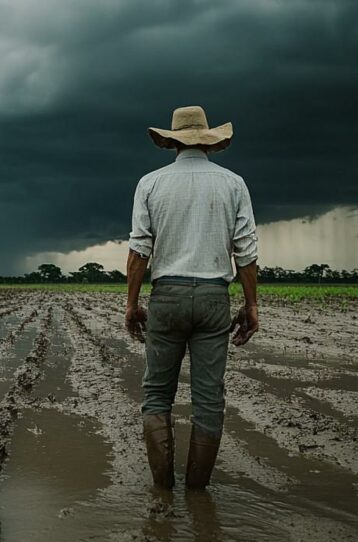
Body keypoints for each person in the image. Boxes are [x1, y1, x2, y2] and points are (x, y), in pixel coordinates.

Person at [124, 105, 260, 489]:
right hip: (215, 297)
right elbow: (246, 252)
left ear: (172, 142)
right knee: (208, 397)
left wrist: (131, 304)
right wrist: (251, 305)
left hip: (167, 296)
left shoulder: (150, 183)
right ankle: (197, 491)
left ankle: (163, 489)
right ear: (209, 141)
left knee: (156, 394)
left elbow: (139, 252)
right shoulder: (234, 183)